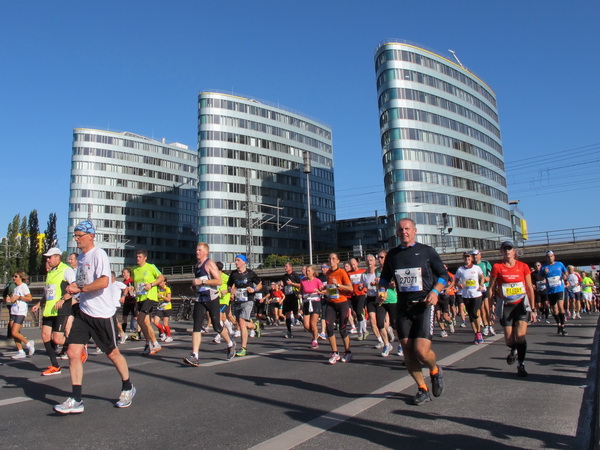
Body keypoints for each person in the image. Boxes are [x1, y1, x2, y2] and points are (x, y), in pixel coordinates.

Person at [54, 220, 135, 414]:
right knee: (73, 352)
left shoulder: (99, 254)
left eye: (79, 236)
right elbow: (82, 284)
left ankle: (127, 387)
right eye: (75, 236)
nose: (76, 239)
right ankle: (76, 399)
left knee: (112, 353)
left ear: (91, 236)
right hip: (84, 312)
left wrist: (80, 289)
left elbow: (104, 282)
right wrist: (72, 291)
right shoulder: (81, 258)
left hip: (102, 314)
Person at [378, 218, 448, 405]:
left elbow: (443, 275)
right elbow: (384, 278)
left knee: (421, 351)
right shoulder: (393, 255)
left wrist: (435, 292)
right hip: (403, 307)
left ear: (414, 231)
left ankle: (435, 370)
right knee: (408, 351)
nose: (404, 232)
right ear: (397, 233)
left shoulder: (427, 251)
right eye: (401, 230)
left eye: (407, 229)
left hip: (423, 305)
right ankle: (422, 389)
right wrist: (382, 290)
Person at [488, 240, 536, 377]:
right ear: (501, 252)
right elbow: (491, 288)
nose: (507, 251)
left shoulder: (523, 266)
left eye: (509, 249)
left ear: (514, 251)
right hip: (506, 305)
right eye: (505, 249)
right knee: (509, 340)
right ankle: (514, 349)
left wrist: (533, 309)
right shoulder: (497, 267)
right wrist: (491, 308)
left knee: (520, 336)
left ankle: (521, 364)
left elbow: (529, 288)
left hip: (521, 304)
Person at [184, 243, 236, 366]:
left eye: (199, 250)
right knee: (196, 326)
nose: (197, 252)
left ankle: (230, 343)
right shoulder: (196, 266)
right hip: (200, 298)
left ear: (206, 252)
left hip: (212, 298)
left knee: (217, 326)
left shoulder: (210, 264)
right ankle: (195, 355)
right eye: (196, 250)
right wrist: (194, 286)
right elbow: (198, 283)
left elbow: (218, 281)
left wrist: (202, 281)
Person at [31, 248, 76, 375]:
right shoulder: (51, 272)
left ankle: (77, 345)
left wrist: (63, 299)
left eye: (49, 257)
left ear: (57, 257)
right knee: (45, 336)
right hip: (49, 309)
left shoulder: (66, 270)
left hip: (61, 309)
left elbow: (74, 288)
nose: (47, 260)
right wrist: (39, 303)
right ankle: (55, 366)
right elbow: (48, 292)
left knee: (57, 339)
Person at [321, 253, 353, 364]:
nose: (331, 261)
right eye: (329, 259)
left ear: (338, 261)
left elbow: (350, 288)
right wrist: (325, 288)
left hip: (342, 303)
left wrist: (338, 285)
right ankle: (335, 353)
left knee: (342, 329)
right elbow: (331, 288)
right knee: (329, 328)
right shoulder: (328, 273)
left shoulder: (342, 272)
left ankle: (348, 352)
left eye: (334, 259)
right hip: (331, 303)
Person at [227, 254, 262, 357]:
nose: (236, 262)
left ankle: (243, 348)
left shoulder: (251, 273)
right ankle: (255, 326)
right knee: (239, 323)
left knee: (242, 323)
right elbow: (229, 285)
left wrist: (254, 289)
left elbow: (260, 284)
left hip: (248, 300)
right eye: (235, 260)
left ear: (244, 262)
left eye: (238, 260)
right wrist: (231, 291)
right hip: (238, 300)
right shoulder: (233, 274)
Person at [132, 249, 164, 355]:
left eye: (140, 257)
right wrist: (133, 289)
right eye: (137, 257)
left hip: (149, 296)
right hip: (140, 298)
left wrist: (151, 284)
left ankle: (148, 343)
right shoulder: (134, 269)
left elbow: (161, 277)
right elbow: (135, 283)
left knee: (140, 320)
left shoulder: (151, 267)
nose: (138, 258)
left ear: (145, 258)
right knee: (146, 323)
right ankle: (155, 344)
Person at [455, 252, 485, 344]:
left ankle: (479, 332)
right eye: (465, 257)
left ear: (471, 258)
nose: (467, 259)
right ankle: (476, 334)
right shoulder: (460, 269)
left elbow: (482, 277)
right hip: (466, 295)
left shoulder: (476, 268)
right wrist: (458, 284)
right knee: (471, 315)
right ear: (463, 259)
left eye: (468, 257)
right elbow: (455, 281)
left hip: (476, 294)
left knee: (475, 313)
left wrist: (481, 284)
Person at [6, 271, 34, 359]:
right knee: (14, 333)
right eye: (13, 276)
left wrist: (19, 297)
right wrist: (10, 300)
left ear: (21, 277)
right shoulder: (15, 288)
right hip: (14, 310)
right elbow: (15, 299)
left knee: (14, 332)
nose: (14, 278)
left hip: (21, 311)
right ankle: (20, 351)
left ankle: (28, 344)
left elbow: (30, 298)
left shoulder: (23, 286)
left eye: (16, 276)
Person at [541, 251, 568, 335]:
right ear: (546, 258)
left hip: (559, 288)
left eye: (551, 256)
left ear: (554, 257)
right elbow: (539, 277)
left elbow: (566, 272)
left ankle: (562, 326)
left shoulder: (560, 264)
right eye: (548, 257)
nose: (550, 258)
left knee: (560, 306)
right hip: (550, 290)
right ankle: (558, 324)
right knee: (554, 310)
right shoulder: (544, 267)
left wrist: (565, 276)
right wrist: (544, 274)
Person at [300, 265, 324, 348]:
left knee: (313, 324)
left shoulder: (317, 281)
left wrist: (319, 291)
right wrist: (300, 296)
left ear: (313, 272)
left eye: (309, 271)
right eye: (306, 271)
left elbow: (323, 290)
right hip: (306, 302)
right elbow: (301, 291)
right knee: (306, 325)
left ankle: (315, 341)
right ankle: (316, 334)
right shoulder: (303, 281)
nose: (307, 272)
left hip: (315, 302)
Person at [472, 249, 495, 336]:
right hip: (477, 288)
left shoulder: (485, 263)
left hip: (486, 287)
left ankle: (490, 324)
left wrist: (488, 278)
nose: (475, 257)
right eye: (473, 255)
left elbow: (492, 274)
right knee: (481, 308)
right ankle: (486, 325)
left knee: (486, 306)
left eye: (476, 255)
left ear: (480, 255)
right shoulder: (472, 265)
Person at [348, 258, 369, 340]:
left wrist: (365, 288)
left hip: (361, 294)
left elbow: (367, 281)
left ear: (357, 263)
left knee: (359, 310)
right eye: (351, 265)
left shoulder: (363, 271)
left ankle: (360, 331)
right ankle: (364, 330)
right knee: (357, 313)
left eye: (354, 264)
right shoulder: (348, 273)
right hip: (353, 295)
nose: (353, 266)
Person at [282, 262, 302, 338]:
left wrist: (292, 284)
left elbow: (301, 285)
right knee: (287, 314)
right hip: (287, 297)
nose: (285, 268)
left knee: (295, 315)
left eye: (286, 266)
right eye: (285, 266)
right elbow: (284, 286)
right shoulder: (284, 276)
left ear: (291, 267)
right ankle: (289, 331)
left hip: (294, 297)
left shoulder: (295, 275)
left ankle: (301, 319)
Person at [120, 268, 138, 343]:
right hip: (126, 301)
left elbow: (135, 289)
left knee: (136, 317)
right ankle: (122, 333)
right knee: (124, 317)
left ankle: (138, 333)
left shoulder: (132, 281)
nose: (123, 274)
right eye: (123, 273)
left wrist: (133, 291)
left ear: (128, 273)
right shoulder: (123, 282)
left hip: (133, 301)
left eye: (124, 273)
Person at [153, 278, 173, 342]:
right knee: (155, 321)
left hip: (167, 308)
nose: (160, 283)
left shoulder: (167, 289)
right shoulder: (157, 289)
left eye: (161, 282)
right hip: (160, 307)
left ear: (165, 282)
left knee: (165, 323)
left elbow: (169, 299)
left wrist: (161, 296)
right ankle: (163, 332)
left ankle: (169, 336)